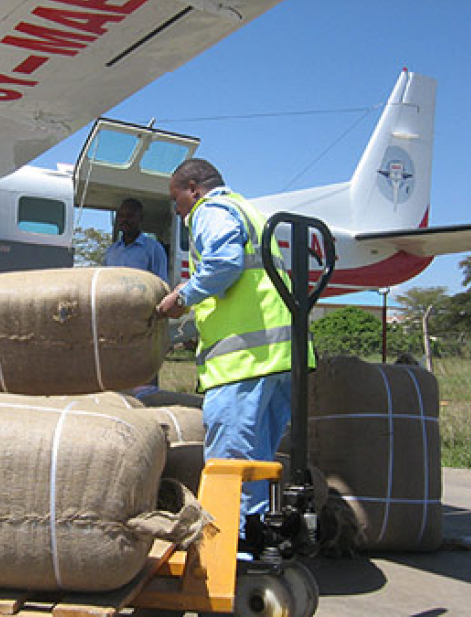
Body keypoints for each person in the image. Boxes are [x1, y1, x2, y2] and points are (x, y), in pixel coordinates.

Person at [156, 158, 313, 531]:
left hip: (243, 362)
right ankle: (255, 539)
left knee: (229, 463)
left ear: (193, 189)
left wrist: (181, 299)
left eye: (178, 201)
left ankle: (231, 551)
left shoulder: (211, 210)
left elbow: (224, 265)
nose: (179, 213)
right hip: (279, 359)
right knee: (256, 461)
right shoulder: (247, 210)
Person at [103, 197, 168, 282]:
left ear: (140, 218)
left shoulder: (154, 249)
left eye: (130, 216)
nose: (124, 220)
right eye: (121, 216)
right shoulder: (112, 250)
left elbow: (161, 283)